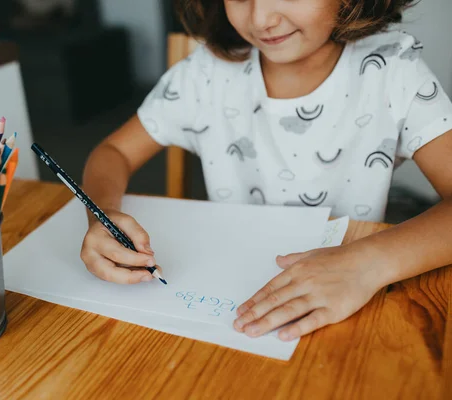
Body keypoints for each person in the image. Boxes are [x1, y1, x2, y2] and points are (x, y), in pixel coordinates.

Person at [79, 0, 452, 342]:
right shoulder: (204, 74)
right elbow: (113, 152)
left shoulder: (392, 69)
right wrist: (102, 215)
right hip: (232, 304)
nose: (261, 19)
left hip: (346, 307)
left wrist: (369, 265)